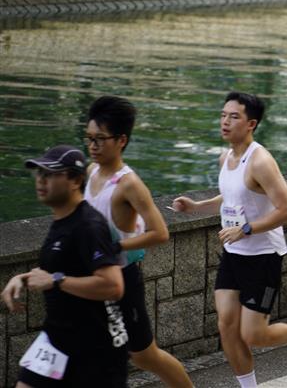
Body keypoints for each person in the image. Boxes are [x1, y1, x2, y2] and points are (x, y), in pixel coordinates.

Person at [171, 92, 287, 388]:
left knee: (253, 334)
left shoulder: (260, 161)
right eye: (223, 115)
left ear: (251, 124)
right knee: (226, 327)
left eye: (234, 117)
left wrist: (246, 229)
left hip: (263, 256)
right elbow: (232, 197)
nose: (225, 121)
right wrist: (196, 207)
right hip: (234, 255)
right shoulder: (226, 157)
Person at [84, 96, 192, 387]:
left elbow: (160, 232)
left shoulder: (129, 184)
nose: (93, 145)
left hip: (123, 281)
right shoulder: (91, 172)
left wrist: (117, 246)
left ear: (121, 140)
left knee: (145, 356)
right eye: (89, 138)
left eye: (100, 139)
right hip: (94, 278)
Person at [2, 145, 128, 387]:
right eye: (39, 173)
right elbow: (65, 267)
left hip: (94, 350)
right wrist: (23, 278)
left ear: (75, 181)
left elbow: (113, 286)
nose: (41, 180)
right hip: (56, 339)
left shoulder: (88, 226)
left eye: (50, 174)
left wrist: (56, 280)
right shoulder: (63, 219)